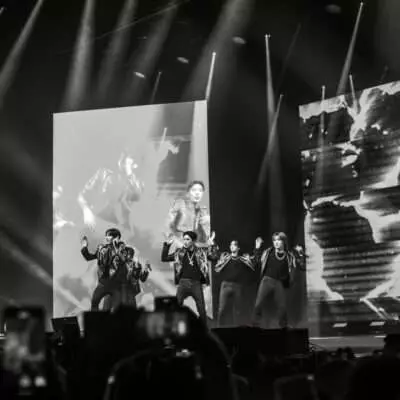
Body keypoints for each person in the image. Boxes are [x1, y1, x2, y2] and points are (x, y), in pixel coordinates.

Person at [81, 228, 150, 311]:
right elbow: (89, 257)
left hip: (122, 287)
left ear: (117, 237)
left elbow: (126, 262)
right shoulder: (102, 249)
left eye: (109, 236)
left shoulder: (126, 251)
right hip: (106, 283)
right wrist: (84, 247)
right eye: (106, 236)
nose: (106, 238)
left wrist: (143, 268)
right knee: (102, 306)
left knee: (123, 309)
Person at [161, 230, 218, 322]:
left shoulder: (202, 251)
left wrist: (212, 244)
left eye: (188, 239)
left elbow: (214, 257)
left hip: (196, 283)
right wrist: (167, 245)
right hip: (183, 283)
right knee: (176, 306)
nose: (185, 241)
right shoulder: (179, 252)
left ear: (193, 241)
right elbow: (164, 258)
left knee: (201, 309)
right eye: (184, 239)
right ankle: (174, 326)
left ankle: (203, 328)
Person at [252, 232, 299, 329]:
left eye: (278, 240)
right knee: (258, 304)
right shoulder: (268, 252)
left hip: (279, 283)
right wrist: (257, 248)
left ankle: (284, 326)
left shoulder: (289, 256)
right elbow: (256, 261)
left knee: (282, 307)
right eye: (274, 240)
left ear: (283, 241)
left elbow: (294, 269)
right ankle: (255, 325)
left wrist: (289, 281)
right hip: (267, 280)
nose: (276, 242)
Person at [215, 240, 256, 327]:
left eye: (234, 245)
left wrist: (257, 248)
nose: (232, 246)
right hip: (225, 286)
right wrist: (212, 243)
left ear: (238, 248)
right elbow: (213, 255)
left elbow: (254, 261)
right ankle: (219, 328)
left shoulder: (243, 259)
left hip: (237, 286)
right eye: (231, 245)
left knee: (237, 310)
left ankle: (236, 329)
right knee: (221, 309)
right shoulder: (225, 257)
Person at [165, 181, 211, 247]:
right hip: (178, 246)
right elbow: (166, 229)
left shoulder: (201, 211)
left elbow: (204, 239)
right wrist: (180, 245)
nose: (197, 193)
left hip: (192, 248)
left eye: (200, 191)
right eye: (194, 190)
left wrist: (207, 223)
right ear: (188, 192)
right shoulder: (180, 204)